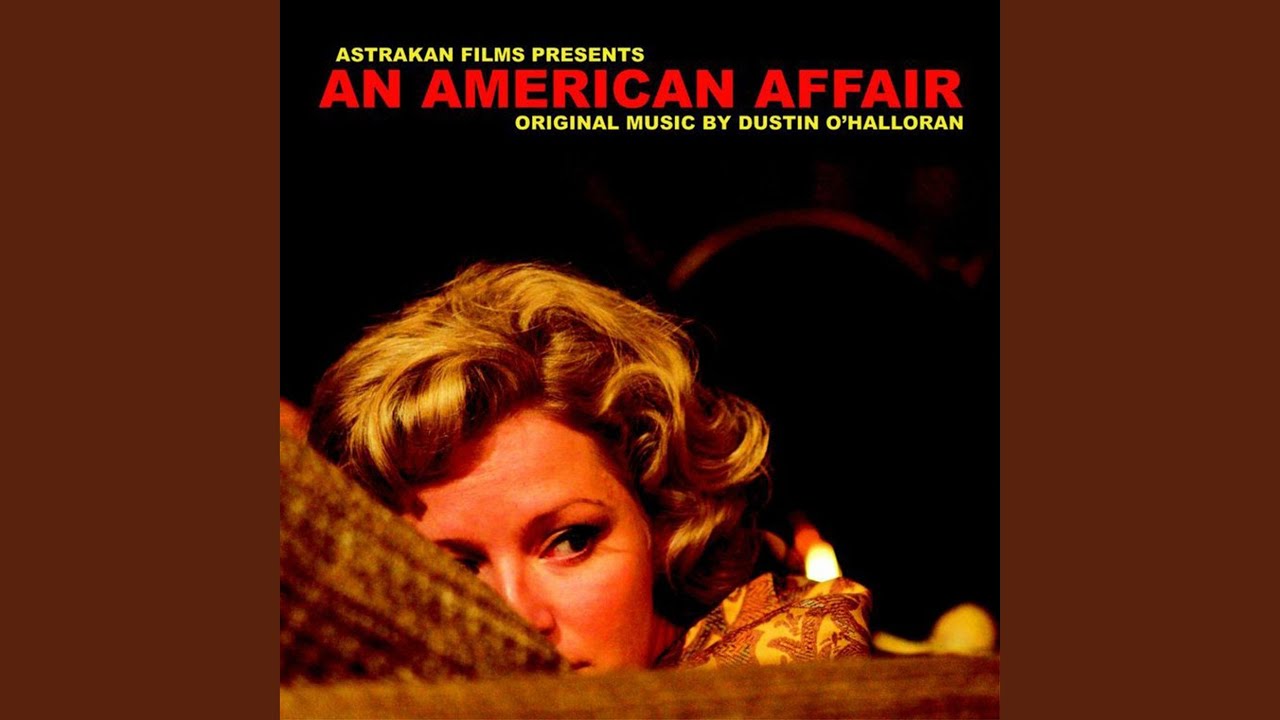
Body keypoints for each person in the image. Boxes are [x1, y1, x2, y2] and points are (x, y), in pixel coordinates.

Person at [307, 262, 870, 672]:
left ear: (661, 520)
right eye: (454, 571)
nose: (520, 619)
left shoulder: (787, 676)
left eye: (571, 541)